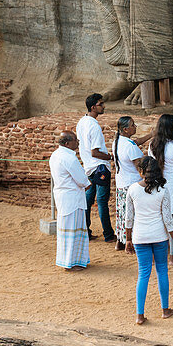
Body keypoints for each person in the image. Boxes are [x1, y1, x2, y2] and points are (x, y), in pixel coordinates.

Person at [124, 156, 173, 324]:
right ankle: (165, 309)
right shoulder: (163, 190)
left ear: (141, 172)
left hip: (140, 237)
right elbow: (168, 219)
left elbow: (129, 218)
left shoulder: (132, 189)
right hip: (159, 236)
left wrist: (128, 239)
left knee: (143, 274)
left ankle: (139, 315)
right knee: (162, 271)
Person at [148, 114, 173, 263]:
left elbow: (152, 166)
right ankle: (172, 256)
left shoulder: (152, 145)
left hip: (159, 185)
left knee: (158, 221)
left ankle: (156, 256)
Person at [49, 131, 90, 271]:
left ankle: (69, 260)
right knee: (73, 230)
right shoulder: (69, 158)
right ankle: (71, 262)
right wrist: (89, 182)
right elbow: (82, 180)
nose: (78, 142)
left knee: (66, 230)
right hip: (72, 198)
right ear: (67, 143)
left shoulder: (55, 155)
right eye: (75, 140)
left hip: (63, 196)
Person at [76, 93, 114, 242]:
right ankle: (109, 235)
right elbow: (95, 152)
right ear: (93, 107)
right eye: (101, 104)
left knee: (88, 201)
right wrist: (110, 157)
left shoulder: (82, 122)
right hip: (100, 168)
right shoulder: (94, 126)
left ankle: (86, 231)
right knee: (102, 202)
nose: (103, 106)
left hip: (89, 168)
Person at [111, 115, 152, 251]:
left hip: (122, 183)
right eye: (133, 125)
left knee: (123, 212)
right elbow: (140, 167)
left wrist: (150, 135)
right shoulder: (129, 146)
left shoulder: (118, 141)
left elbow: (136, 142)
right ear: (126, 129)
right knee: (133, 214)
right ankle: (132, 242)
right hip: (132, 184)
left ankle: (120, 240)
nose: (135, 127)